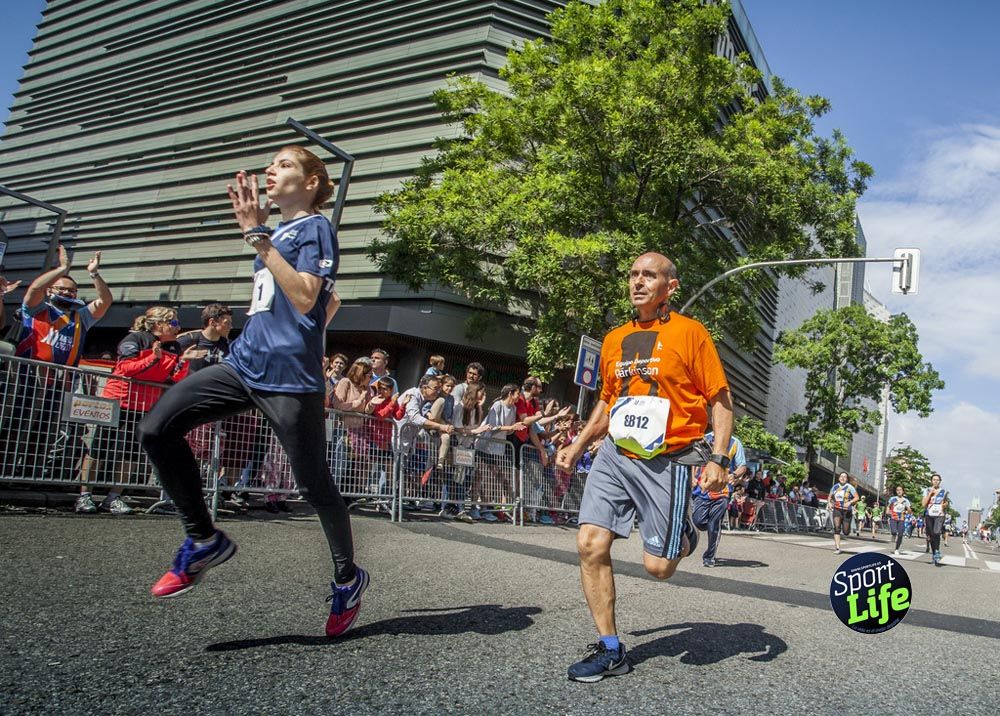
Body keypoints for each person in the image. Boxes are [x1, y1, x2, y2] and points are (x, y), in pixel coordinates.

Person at [137, 145, 367, 638]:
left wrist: (258, 240)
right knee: (157, 427)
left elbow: (308, 296)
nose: (270, 170)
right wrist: (266, 242)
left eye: (283, 164)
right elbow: (330, 301)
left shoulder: (314, 227)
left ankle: (348, 578)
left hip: (289, 379)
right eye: (271, 164)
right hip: (243, 363)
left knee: (314, 486)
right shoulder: (278, 234)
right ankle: (202, 540)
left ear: (310, 182)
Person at [554, 252, 733, 683]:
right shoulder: (614, 339)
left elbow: (721, 401)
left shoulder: (691, 334)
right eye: (633, 274)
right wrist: (579, 444)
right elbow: (608, 401)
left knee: (659, 568)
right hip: (616, 452)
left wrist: (719, 458)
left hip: (666, 460)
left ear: (670, 286)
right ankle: (611, 649)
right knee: (590, 543)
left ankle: (684, 533)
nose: (637, 282)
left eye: (648, 275)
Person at [691, 431, 747, 567]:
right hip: (702, 488)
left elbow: (742, 466)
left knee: (714, 523)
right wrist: (692, 477)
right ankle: (703, 527)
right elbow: (694, 460)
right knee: (698, 521)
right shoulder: (704, 439)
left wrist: (734, 475)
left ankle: (709, 557)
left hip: (723, 490)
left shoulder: (735, 443)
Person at [922, 473, 950, 566]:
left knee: (936, 532)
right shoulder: (926, 490)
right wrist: (930, 493)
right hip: (929, 514)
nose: (935, 481)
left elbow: (946, 503)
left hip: (939, 515)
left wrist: (944, 505)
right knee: (931, 535)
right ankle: (934, 554)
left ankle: (937, 551)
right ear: (931, 481)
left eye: (937, 480)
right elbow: (923, 504)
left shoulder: (944, 491)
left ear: (940, 481)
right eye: (934, 479)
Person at [829, 472, 858, 554]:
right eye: (841, 476)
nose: (843, 478)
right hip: (837, 509)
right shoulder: (835, 487)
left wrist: (850, 502)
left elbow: (857, 497)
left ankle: (847, 529)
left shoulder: (850, 487)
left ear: (847, 479)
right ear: (839, 478)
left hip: (847, 511)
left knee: (845, 531)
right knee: (837, 528)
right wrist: (829, 503)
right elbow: (830, 496)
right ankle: (837, 548)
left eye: (845, 477)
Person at [887, 485, 911, 555]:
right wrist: (887, 511)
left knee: (900, 534)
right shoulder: (893, 499)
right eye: (897, 490)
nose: (899, 491)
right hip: (893, 517)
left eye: (900, 490)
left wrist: (907, 511)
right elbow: (888, 506)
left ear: (903, 491)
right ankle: (893, 535)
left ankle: (897, 549)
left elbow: (909, 511)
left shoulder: (906, 500)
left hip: (901, 518)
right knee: (894, 531)